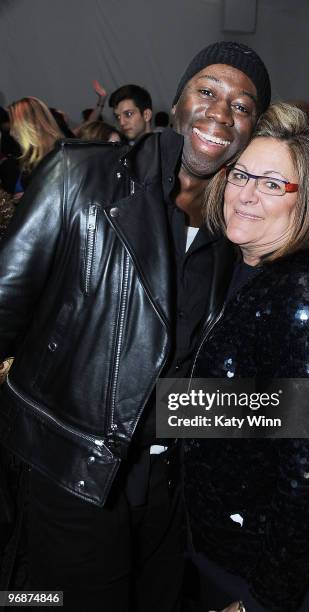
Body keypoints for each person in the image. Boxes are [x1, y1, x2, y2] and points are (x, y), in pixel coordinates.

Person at [0, 41, 271, 611]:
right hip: (73, 478)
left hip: (170, 493)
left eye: (242, 106)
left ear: (253, 129)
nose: (222, 113)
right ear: (177, 102)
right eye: (208, 92)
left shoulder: (237, 235)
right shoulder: (81, 175)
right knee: (47, 601)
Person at [183, 102, 309, 612]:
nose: (245, 194)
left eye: (271, 184)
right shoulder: (236, 262)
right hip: (220, 539)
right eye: (241, 174)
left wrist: (266, 600)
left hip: (265, 570)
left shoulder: (308, 291)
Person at [8, 96, 63, 192]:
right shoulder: (59, 151)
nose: (11, 132)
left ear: (26, 125)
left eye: (13, 124)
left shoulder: (45, 160)